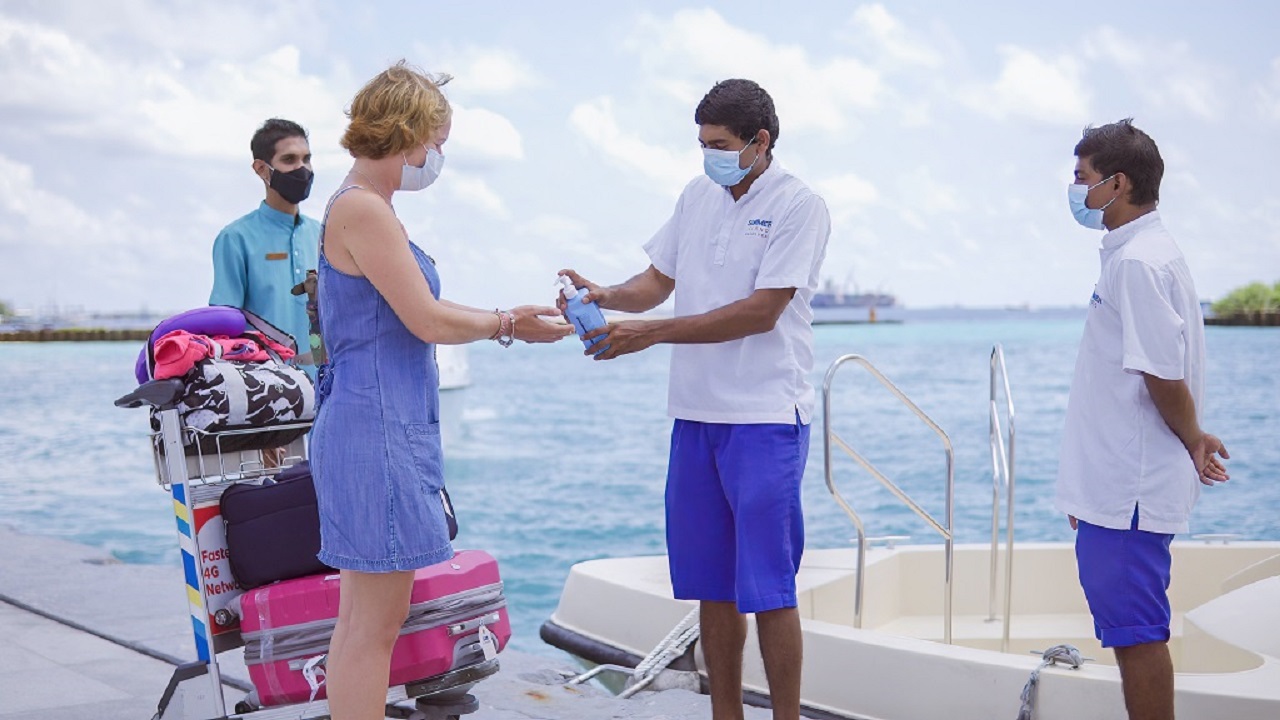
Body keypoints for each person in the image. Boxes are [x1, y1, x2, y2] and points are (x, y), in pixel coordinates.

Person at [308, 62, 571, 720]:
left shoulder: (364, 205)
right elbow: (425, 319)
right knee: (373, 626)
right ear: (407, 132)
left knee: (361, 622)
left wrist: (504, 316)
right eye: (437, 141)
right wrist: (507, 324)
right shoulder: (363, 208)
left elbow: (414, 308)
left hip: (373, 423)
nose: (437, 156)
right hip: (376, 428)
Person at [561, 78, 830, 720]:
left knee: (769, 588)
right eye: (703, 143)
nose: (709, 155)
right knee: (712, 586)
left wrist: (649, 334)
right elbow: (658, 282)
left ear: (760, 141)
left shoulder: (799, 205)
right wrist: (604, 296)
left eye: (721, 145)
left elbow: (761, 312)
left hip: (765, 418)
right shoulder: (696, 195)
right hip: (695, 416)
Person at [1055, 119, 1229, 720]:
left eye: (1082, 177)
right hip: (1115, 489)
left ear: (1118, 183)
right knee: (1133, 631)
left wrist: (1194, 439)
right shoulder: (1143, 254)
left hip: (1127, 493)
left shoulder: (1137, 263)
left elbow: (1161, 374)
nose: (1075, 189)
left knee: (1137, 637)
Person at [209, 118, 322, 376]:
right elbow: (224, 329)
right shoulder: (235, 239)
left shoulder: (324, 236)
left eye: (306, 159)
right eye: (289, 159)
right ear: (262, 169)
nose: (302, 168)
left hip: (325, 388)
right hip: (264, 387)